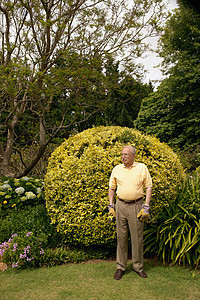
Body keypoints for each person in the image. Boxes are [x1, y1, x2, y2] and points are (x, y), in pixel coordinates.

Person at [108, 145, 152, 280]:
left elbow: (148, 187)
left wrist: (146, 206)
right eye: (122, 154)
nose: (123, 157)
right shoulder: (117, 169)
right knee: (121, 238)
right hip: (120, 205)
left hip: (136, 206)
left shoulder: (142, 168)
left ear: (133, 155)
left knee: (137, 238)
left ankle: (138, 267)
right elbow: (111, 188)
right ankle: (120, 267)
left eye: (126, 154)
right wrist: (111, 206)